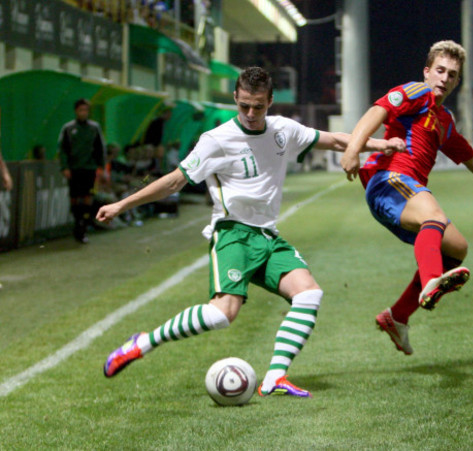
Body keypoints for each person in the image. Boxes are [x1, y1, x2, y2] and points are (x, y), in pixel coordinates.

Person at [97, 67, 404, 397]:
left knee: (309, 293)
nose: (251, 113)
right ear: (235, 98)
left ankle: (275, 377)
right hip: (233, 234)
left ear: (271, 101)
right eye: (244, 105)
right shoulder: (215, 141)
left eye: (258, 106)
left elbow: (334, 140)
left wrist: (378, 143)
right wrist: (121, 205)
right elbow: (175, 180)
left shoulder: (283, 130)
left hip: (268, 236)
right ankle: (142, 343)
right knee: (222, 314)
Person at [340, 40, 473, 356]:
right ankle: (431, 281)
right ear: (427, 72)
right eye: (440, 70)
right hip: (390, 180)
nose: (444, 79)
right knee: (435, 218)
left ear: (457, 80)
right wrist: (353, 149)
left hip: (405, 192)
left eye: (452, 75)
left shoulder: (444, 120)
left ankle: (397, 317)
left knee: (457, 248)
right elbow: (378, 110)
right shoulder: (416, 92)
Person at [58, 98, 106, 243]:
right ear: (76, 111)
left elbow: (100, 148)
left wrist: (101, 166)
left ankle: (83, 227)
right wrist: (64, 167)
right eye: (81, 110)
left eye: (86, 110)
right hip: (74, 169)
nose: (83, 113)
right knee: (74, 198)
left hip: (89, 168)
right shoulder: (68, 128)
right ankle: (77, 223)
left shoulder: (94, 128)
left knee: (87, 197)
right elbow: (62, 149)